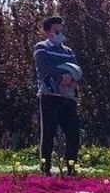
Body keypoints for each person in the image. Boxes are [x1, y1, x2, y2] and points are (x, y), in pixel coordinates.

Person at [34, 15, 83, 175]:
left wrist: (72, 79)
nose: (60, 33)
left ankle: (71, 168)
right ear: (48, 32)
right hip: (49, 96)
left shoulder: (68, 51)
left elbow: (76, 69)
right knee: (48, 133)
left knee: (73, 133)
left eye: (61, 30)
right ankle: (45, 169)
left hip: (67, 97)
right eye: (56, 30)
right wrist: (61, 77)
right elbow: (45, 67)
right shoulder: (41, 47)